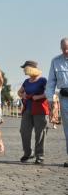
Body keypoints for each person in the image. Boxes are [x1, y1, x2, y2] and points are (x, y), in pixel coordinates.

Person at [18, 60, 49, 164]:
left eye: (25, 68)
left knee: (40, 133)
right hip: (28, 109)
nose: (23, 70)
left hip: (40, 109)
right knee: (24, 131)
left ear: (30, 68)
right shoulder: (26, 81)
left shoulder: (43, 80)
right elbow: (19, 92)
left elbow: (48, 93)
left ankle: (39, 156)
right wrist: (23, 95)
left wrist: (38, 96)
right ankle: (28, 153)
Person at [46, 37, 68, 167]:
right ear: (61, 48)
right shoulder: (56, 61)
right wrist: (50, 99)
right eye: (64, 48)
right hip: (64, 98)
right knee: (67, 129)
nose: (66, 50)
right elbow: (51, 82)